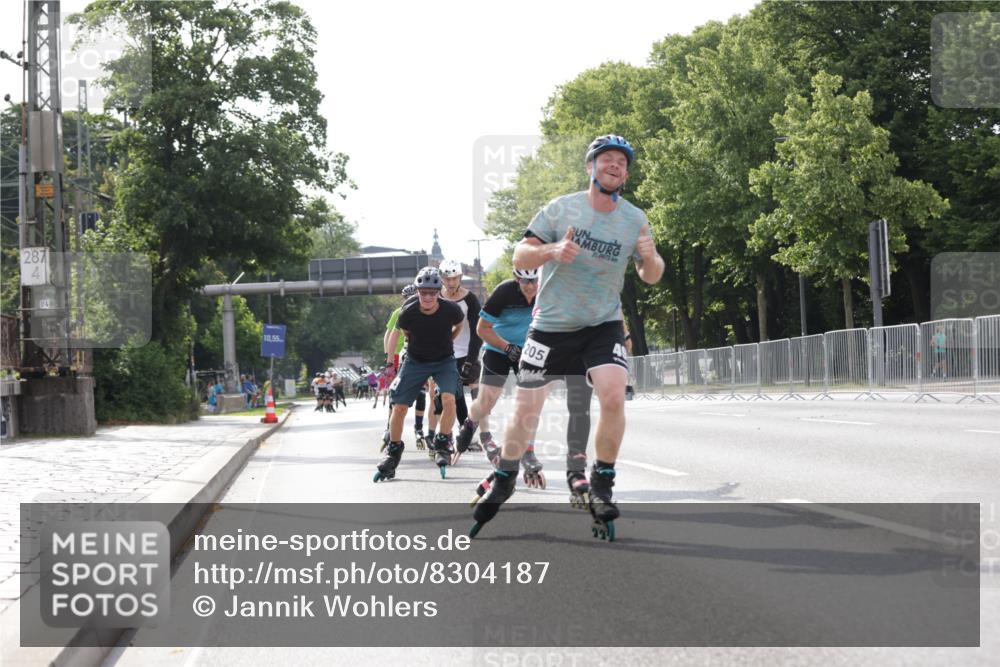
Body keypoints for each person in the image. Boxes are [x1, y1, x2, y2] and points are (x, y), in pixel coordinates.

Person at [470, 134, 664, 541]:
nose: (615, 166)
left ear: (626, 174)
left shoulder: (634, 218)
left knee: (612, 393)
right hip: (552, 325)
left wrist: (650, 257)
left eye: (622, 162)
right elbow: (520, 256)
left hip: (602, 323)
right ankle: (504, 477)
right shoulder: (561, 208)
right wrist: (553, 250)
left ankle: (602, 482)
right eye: (607, 159)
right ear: (591, 167)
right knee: (527, 411)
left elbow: (651, 276)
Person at [454, 267, 544, 486]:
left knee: (530, 403)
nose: (531, 287)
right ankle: (469, 424)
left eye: (535, 281)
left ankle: (528, 451)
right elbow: (482, 329)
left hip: (530, 351)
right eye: (525, 281)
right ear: (516, 278)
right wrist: (507, 347)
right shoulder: (504, 292)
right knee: (486, 402)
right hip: (498, 349)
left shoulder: (547, 291)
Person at [374, 267, 465, 481]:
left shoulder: (451, 309)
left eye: (432, 293)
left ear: (438, 292)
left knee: (449, 399)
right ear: (417, 292)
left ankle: (442, 442)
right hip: (415, 360)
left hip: (444, 361)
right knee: (399, 407)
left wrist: (449, 340)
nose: (427, 297)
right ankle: (393, 452)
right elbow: (405, 332)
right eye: (423, 292)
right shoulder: (408, 312)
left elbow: (460, 324)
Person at [434, 259, 483, 440]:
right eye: (447, 279)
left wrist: (471, 359)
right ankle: (464, 432)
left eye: (454, 278)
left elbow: (478, 331)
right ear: (442, 279)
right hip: (447, 353)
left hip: (468, 351)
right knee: (454, 394)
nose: (451, 283)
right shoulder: (436, 297)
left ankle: (478, 427)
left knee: (477, 395)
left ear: (460, 277)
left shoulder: (470, 299)